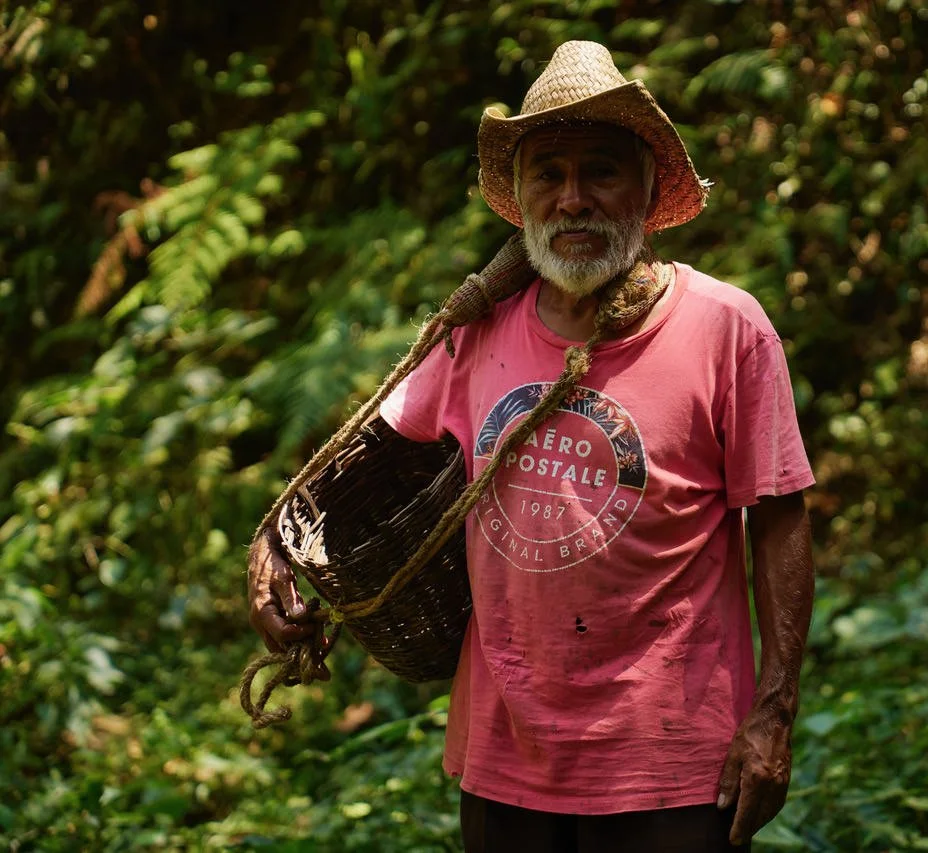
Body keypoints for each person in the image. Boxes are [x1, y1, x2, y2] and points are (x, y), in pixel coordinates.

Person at [248, 40, 815, 851]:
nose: (573, 198)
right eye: (548, 173)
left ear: (648, 189)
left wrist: (774, 711)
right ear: (519, 199)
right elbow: (352, 463)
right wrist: (272, 544)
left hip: (677, 768)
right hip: (508, 761)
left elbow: (783, 522)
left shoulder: (726, 329)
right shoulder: (477, 333)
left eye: (600, 172)